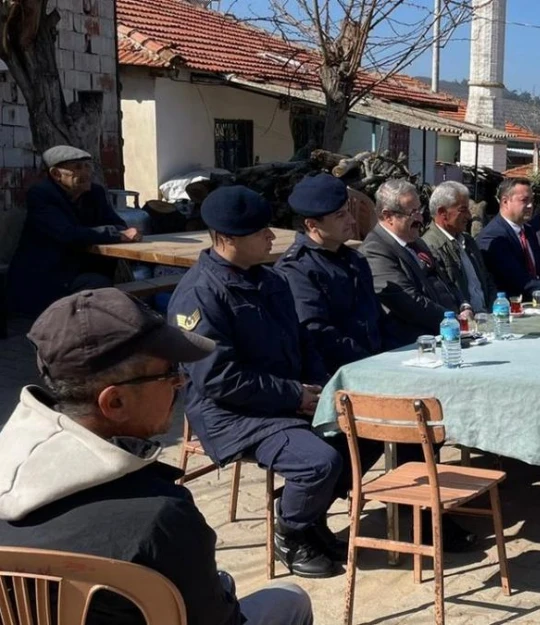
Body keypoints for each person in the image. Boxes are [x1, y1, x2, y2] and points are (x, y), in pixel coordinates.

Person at [0, 289, 313, 625]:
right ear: (114, 402)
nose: (181, 383)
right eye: (169, 375)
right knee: (288, 600)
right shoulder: (161, 518)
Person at [168, 186, 345, 578]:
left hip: (283, 399)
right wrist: (295, 396)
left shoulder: (270, 280)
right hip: (233, 414)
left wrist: (320, 387)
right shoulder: (200, 294)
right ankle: (291, 530)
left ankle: (312, 517)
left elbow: (302, 341)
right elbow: (217, 378)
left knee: (357, 439)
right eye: (260, 232)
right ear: (227, 239)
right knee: (319, 461)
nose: (270, 237)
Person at [275, 174, 392, 374]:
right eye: (340, 216)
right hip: (337, 374)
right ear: (312, 225)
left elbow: (376, 318)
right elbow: (318, 333)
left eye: (347, 212)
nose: (352, 220)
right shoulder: (297, 269)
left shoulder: (354, 259)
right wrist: (370, 362)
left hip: (374, 364)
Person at [7, 145, 143, 316]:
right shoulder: (41, 195)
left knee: (103, 285)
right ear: (56, 174)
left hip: (79, 270)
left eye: (88, 166)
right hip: (49, 277)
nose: (86, 173)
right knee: (98, 285)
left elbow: (119, 224)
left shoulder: (95, 193)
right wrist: (114, 234)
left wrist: (120, 232)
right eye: (77, 168)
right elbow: (67, 234)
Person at [360, 179, 465, 344]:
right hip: (415, 342)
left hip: (449, 330)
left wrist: (464, 305)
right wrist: (452, 320)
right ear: (388, 216)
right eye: (412, 212)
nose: (420, 218)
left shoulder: (416, 241)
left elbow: (445, 280)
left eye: (420, 210)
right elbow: (408, 302)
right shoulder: (375, 250)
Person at [422, 181, 499, 314]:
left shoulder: (468, 241)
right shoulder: (430, 246)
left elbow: (486, 279)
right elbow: (444, 293)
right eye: (463, 210)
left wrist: (495, 307)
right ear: (442, 213)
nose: (469, 216)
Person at [477, 178, 540, 297]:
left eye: (532, 200)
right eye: (524, 200)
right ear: (505, 202)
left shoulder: (528, 231)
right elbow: (519, 281)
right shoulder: (494, 237)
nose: (530, 205)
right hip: (510, 306)